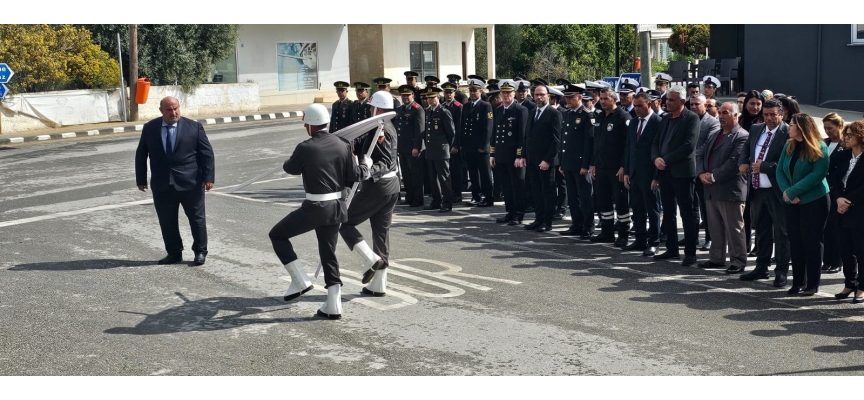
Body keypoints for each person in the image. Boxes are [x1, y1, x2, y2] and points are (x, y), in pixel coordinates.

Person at [270, 103, 369, 319]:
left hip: (315, 208)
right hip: (336, 208)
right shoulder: (343, 144)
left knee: (277, 235)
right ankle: (333, 303)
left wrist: (294, 156)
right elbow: (355, 174)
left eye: (306, 123)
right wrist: (366, 165)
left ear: (311, 125)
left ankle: (300, 280)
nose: (305, 126)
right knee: (328, 253)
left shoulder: (305, 147)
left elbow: (290, 168)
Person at [136, 96, 215, 266]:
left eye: (176, 108)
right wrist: (141, 179)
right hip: (162, 184)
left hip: (191, 183)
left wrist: (208, 177)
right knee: (167, 221)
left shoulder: (194, 127)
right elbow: (141, 154)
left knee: (197, 219)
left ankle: (200, 252)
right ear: (161, 110)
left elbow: (207, 154)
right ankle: (174, 253)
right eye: (169, 110)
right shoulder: (150, 128)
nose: (173, 112)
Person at [339, 91, 400, 297]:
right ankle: (379, 284)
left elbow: (385, 162)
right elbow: (360, 141)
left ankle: (371, 259)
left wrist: (367, 170)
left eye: (372, 108)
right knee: (381, 234)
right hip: (390, 186)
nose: (369, 111)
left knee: (344, 222)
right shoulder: (381, 126)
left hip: (379, 186)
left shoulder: (383, 129)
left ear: (378, 109)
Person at [737, 99, 791, 287]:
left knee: (782, 233)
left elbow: (788, 162)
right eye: (766, 115)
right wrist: (743, 162)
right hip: (757, 189)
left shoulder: (788, 133)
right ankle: (761, 267)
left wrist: (765, 167)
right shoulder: (756, 129)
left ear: (781, 114)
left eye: (773, 115)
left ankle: (781, 271)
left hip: (777, 191)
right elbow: (746, 148)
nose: (769, 118)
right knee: (761, 230)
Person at [776, 113, 830, 296]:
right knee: (795, 241)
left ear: (801, 127)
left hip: (814, 200)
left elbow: (817, 174)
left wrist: (793, 191)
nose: (788, 127)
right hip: (792, 201)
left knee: (812, 242)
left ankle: (812, 284)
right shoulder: (789, 145)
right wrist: (787, 192)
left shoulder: (819, 146)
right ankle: (798, 282)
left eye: (791, 124)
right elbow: (780, 170)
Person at [695, 102, 749, 273]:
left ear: (736, 115)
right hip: (711, 188)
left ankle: (737, 261)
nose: (721, 116)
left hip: (729, 189)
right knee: (715, 227)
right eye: (719, 113)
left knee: (734, 228)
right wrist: (701, 173)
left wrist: (713, 176)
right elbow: (700, 154)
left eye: (725, 113)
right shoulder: (715, 134)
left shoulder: (742, 136)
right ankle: (716, 258)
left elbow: (734, 162)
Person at [651, 85, 700, 266]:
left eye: (672, 100)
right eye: (667, 100)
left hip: (683, 173)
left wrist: (665, 160)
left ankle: (690, 252)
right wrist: (656, 159)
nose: (667, 103)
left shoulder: (691, 118)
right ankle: (672, 249)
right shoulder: (665, 118)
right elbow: (656, 142)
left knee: (687, 213)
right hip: (664, 173)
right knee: (669, 212)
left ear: (682, 101)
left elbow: (688, 145)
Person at [591, 88, 632, 247]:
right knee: (603, 201)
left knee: (620, 202)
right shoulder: (600, 116)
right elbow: (596, 142)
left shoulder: (623, 117)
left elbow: (627, 145)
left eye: (605, 99)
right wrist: (594, 163)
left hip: (616, 168)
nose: (602, 101)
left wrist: (623, 166)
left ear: (614, 100)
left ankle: (623, 234)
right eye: (601, 99)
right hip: (601, 167)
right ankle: (607, 232)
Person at [622, 93, 662, 256]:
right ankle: (640, 239)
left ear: (649, 105)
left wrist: (656, 176)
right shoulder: (633, 122)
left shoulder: (658, 122)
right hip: (634, 173)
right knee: (637, 208)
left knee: (652, 209)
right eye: (635, 106)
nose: (637, 109)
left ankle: (654, 242)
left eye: (640, 106)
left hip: (650, 174)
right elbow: (628, 147)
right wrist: (627, 171)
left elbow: (660, 150)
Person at [830, 121, 864, 303]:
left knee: (861, 250)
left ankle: (862, 287)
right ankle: (850, 283)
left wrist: (848, 202)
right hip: (841, 208)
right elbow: (834, 179)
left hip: (859, 209)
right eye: (846, 135)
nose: (847, 138)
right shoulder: (843, 156)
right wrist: (838, 198)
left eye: (850, 135)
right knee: (845, 249)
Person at [523, 84, 562, 232]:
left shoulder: (554, 113)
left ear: (548, 96)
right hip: (532, 160)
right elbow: (527, 137)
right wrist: (524, 156)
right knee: (536, 191)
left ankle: (547, 221)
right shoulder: (532, 112)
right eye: (536, 95)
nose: (539, 97)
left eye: (542, 95)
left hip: (546, 161)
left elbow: (556, 140)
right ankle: (538, 219)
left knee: (548, 192)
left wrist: (548, 160)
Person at [558, 85, 595, 239]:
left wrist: (585, 165)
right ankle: (577, 224)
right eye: (566, 97)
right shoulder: (567, 114)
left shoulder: (586, 115)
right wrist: (562, 162)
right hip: (569, 163)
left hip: (580, 164)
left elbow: (589, 142)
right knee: (573, 197)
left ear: (579, 97)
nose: (567, 100)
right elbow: (564, 140)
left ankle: (588, 226)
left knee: (585, 196)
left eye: (570, 97)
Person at [491, 80, 530, 225]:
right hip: (501, 154)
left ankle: (519, 214)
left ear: (514, 94)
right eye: (503, 93)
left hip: (514, 155)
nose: (506, 95)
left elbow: (522, 135)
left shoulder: (520, 110)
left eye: (508, 92)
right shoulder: (498, 110)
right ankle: (510, 212)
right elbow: (494, 133)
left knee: (517, 186)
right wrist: (492, 154)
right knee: (506, 186)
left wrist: (520, 155)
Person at [414, 87, 456, 212]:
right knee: (433, 178)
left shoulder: (443, 112)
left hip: (441, 150)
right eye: (428, 98)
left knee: (444, 178)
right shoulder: (428, 111)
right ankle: (436, 201)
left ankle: (447, 202)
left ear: (438, 97)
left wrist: (446, 146)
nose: (430, 100)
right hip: (430, 150)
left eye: (433, 98)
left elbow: (451, 132)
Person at [690, 94, 721, 251]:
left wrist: (687, 154)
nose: (694, 107)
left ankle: (709, 238)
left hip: (702, 170)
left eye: (697, 104)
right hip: (687, 170)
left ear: (706, 106)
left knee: (706, 207)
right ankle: (692, 236)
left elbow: (708, 145)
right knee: (691, 206)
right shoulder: (688, 119)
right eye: (692, 104)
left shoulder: (713, 122)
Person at [461, 78, 495, 207]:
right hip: (470, 145)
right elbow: (463, 126)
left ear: (481, 91)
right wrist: (463, 143)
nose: (472, 93)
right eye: (470, 90)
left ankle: (488, 197)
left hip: (481, 146)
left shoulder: (486, 106)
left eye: (475, 90)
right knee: (473, 173)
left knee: (485, 172)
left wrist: (484, 145)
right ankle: (476, 195)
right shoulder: (467, 106)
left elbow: (488, 128)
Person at [394, 85, 425, 207]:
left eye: (408, 95)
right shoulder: (400, 109)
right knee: (406, 174)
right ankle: (409, 196)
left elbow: (419, 130)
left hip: (413, 147)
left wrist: (416, 147)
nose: (405, 97)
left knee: (415, 174)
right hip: (402, 147)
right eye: (403, 95)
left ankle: (418, 198)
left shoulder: (417, 109)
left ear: (413, 95)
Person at [822, 112, 846, 274]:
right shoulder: (824, 142)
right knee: (825, 227)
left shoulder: (846, 145)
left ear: (839, 126)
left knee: (836, 227)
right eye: (825, 128)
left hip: (837, 190)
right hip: (823, 190)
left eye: (830, 128)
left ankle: (837, 261)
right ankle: (827, 260)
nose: (827, 131)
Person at [442, 82, 465, 202]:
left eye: (450, 92)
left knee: (456, 169)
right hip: (444, 142)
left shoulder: (458, 106)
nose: (448, 95)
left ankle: (457, 193)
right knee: (447, 169)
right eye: (446, 92)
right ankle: (448, 191)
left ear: (454, 93)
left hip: (454, 143)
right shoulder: (442, 106)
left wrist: (456, 144)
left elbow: (459, 127)